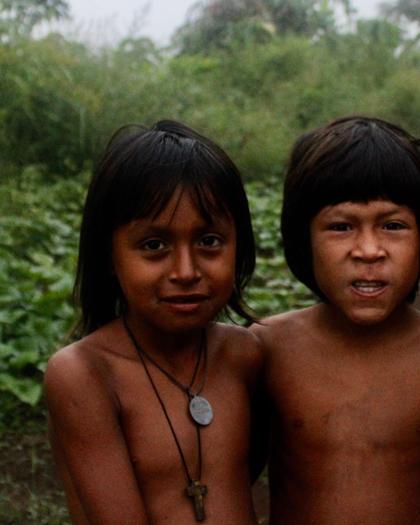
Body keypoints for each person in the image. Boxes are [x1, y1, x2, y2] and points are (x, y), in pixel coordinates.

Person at [252, 116, 420, 524]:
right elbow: (229, 477)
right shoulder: (267, 348)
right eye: (341, 226)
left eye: (393, 226)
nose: (369, 250)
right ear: (303, 239)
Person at [44, 120, 265, 524]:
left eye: (209, 241)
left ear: (240, 245)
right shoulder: (86, 375)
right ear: (109, 256)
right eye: (154, 245)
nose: (185, 271)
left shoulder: (244, 355)